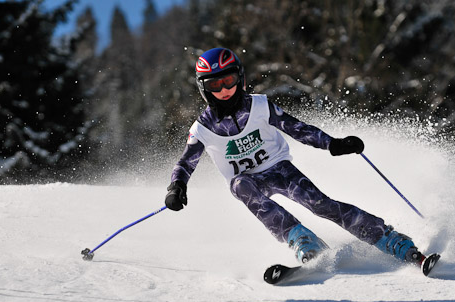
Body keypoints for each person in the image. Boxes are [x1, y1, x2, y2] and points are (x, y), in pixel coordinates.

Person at [165, 47, 430, 271]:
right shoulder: (203, 128)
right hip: (248, 180)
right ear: (204, 88)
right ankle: (301, 239)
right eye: (215, 85)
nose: (224, 90)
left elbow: (297, 128)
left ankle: (389, 239)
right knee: (240, 186)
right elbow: (186, 162)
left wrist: (333, 144)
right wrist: (177, 187)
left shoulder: (259, 106)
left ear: (240, 78)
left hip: (280, 169)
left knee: (321, 204)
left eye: (229, 80)